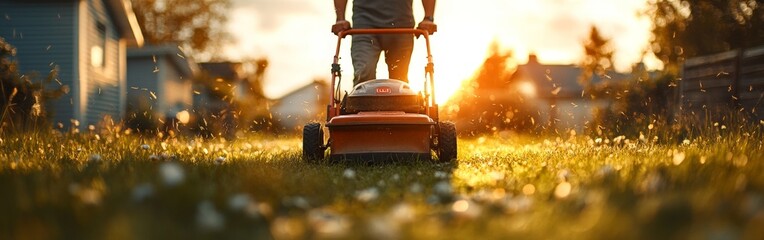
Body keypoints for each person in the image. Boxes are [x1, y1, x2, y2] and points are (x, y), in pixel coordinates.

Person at [332, 0, 437, 86]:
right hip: (364, 26)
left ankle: (401, 109)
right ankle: (362, 109)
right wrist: (340, 19)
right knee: (363, 75)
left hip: (401, 26)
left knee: (399, 81)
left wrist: (428, 17)